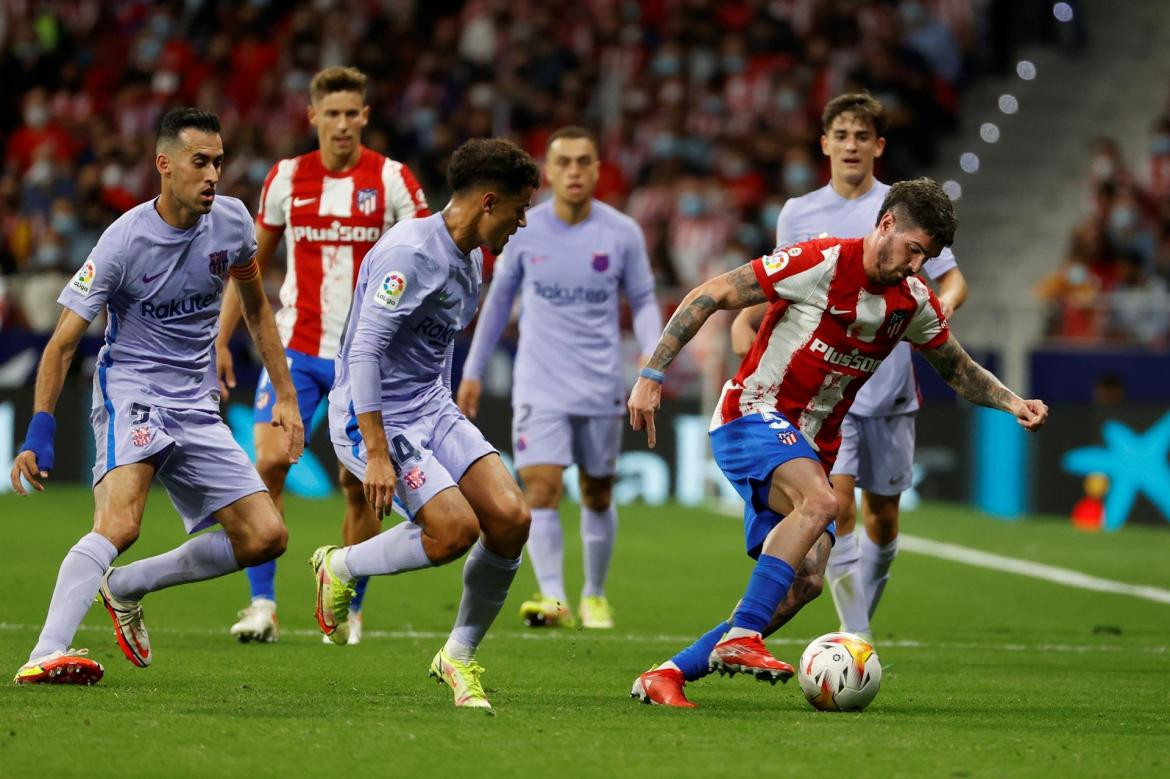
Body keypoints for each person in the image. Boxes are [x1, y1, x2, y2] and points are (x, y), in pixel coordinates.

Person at [627, 178, 1048, 707]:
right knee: (824, 501)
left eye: (929, 257)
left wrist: (1014, 403)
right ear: (887, 225)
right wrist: (652, 374)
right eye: (915, 250)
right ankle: (740, 638)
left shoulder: (912, 302)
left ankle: (667, 674)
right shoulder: (820, 261)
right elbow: (710, 294)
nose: (917, 266)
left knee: (805, 583)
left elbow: (958, 370)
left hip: (811, 445)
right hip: (752, 415)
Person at [10, 108, 303, 686]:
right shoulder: (123, 242)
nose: (213, 175)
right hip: (134, 390)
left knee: (266, 537)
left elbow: (255, 307)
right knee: (120, 524)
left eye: (219, 161)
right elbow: (63, 343)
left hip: (195, 400)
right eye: (200, 162)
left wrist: (286, 396)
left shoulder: (233, 224)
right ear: (164, 166)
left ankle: (126, 585)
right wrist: (39, 428)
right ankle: (45, 651)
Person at [311, 138, 540, 710]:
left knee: (511, 518)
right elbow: (364, 352)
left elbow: (435, 355)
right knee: (453, 532)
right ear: (490, 202)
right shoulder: (411, 254)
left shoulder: (472, 261)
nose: (522, 222)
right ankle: (338, 565)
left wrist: (449, 424)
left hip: (430, 407)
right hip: (373, 414)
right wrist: (378, 450)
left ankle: (457, 657)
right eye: (519, 208)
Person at [731, 93, 969, 640]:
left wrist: (944, 305)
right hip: (822, 394)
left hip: (887, 385)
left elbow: (952, 277)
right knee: (836, 510)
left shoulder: (904, 207)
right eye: (841, 135)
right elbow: (782, 282)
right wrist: (751, 327)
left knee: (883, 517)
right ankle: (856, 640)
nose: (852, 145)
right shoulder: (799, 212)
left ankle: (858, 627)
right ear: (825, 144)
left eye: (863, 135)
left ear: (878, 146)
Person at [216, 66, 430, 646]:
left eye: (350, 113)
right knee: (266, 466)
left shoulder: (393, 181)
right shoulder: (285, 178)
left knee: (359, 486)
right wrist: (220, 340)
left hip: (366, 357)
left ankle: (348, 602)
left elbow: (425, 259)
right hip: (296, 351)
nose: (340, 124)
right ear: (312, 117)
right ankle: (262, 603)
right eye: (329, 114)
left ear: (365, 116)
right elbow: (247, 266)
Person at [456, 126, 662, 629]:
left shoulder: (622, 233)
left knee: (597, 491)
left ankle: (594, 595)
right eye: (564, 162)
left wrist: (654, 363)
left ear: (597, 169)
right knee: (541, 488)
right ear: (548, 172)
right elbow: (498, 302)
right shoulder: (527, 228)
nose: (573, 171)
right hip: (540, 383)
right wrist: (473, 372)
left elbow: (644, 302)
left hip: (600, 382)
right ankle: (555, 598)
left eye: (583, 162)